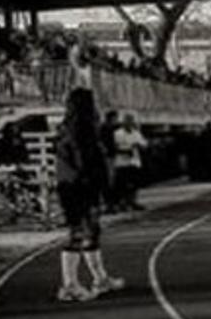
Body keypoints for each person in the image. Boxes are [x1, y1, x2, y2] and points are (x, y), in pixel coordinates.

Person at [54, 87, 125, 301]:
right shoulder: (78, 129)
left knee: (92, 230)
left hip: (77, 184)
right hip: (77, 186)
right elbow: (83, 160)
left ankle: (100, 278)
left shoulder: (78, 127)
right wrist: (98, 185)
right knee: (78, 231)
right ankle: (69, 285)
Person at [112, 112, 148, 210]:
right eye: (127, 121)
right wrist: (125, 150)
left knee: (134, 184)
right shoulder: (117, 133)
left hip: (134, 162)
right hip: (122, 162)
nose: (129, 123)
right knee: (123, 185)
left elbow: (144, 144)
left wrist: (139, 146)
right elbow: (113, 148)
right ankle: (123, 203)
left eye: (131, 121)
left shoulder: (136, 133)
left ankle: (133, 201)